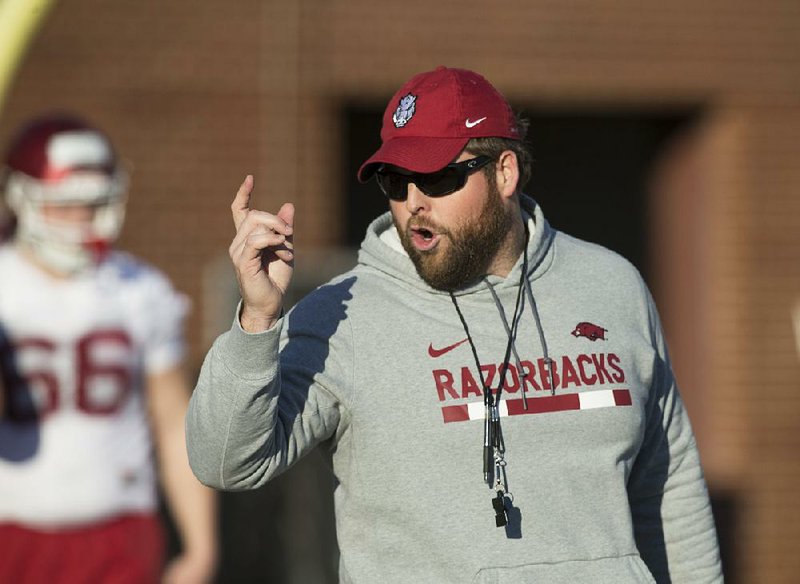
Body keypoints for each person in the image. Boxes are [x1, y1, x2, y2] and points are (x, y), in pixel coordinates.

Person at [185, 66, 723, 583]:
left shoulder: (612, 287)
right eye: (396, 181)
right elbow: (226, 462)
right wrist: (257, 319)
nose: (414, 203)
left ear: (504, 172)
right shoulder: (341, 315)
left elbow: (668, 484)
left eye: (439, 176)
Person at [0, 114, 218, 583]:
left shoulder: (137, 289)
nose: (83, 218)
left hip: (118, 528)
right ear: (21, 198)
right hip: (13, 527)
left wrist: (200, 546)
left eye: (94, 202)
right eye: (64, 204)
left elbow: (173, 423)